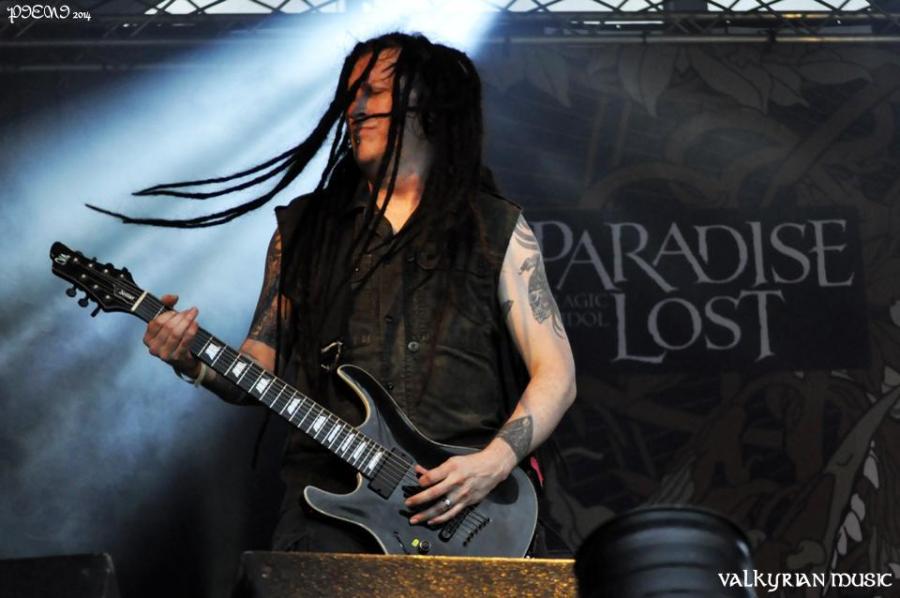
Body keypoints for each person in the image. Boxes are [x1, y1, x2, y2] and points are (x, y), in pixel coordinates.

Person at [127, 32, 576, 554]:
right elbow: (256, 368)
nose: (355, 109)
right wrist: (191, 359)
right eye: (350, 95)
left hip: (468, 506)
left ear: (428, 107)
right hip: (331, 513)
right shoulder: (304, 231)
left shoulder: (495, 228)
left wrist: (494, 461)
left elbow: (557, 373)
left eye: (373, 92)